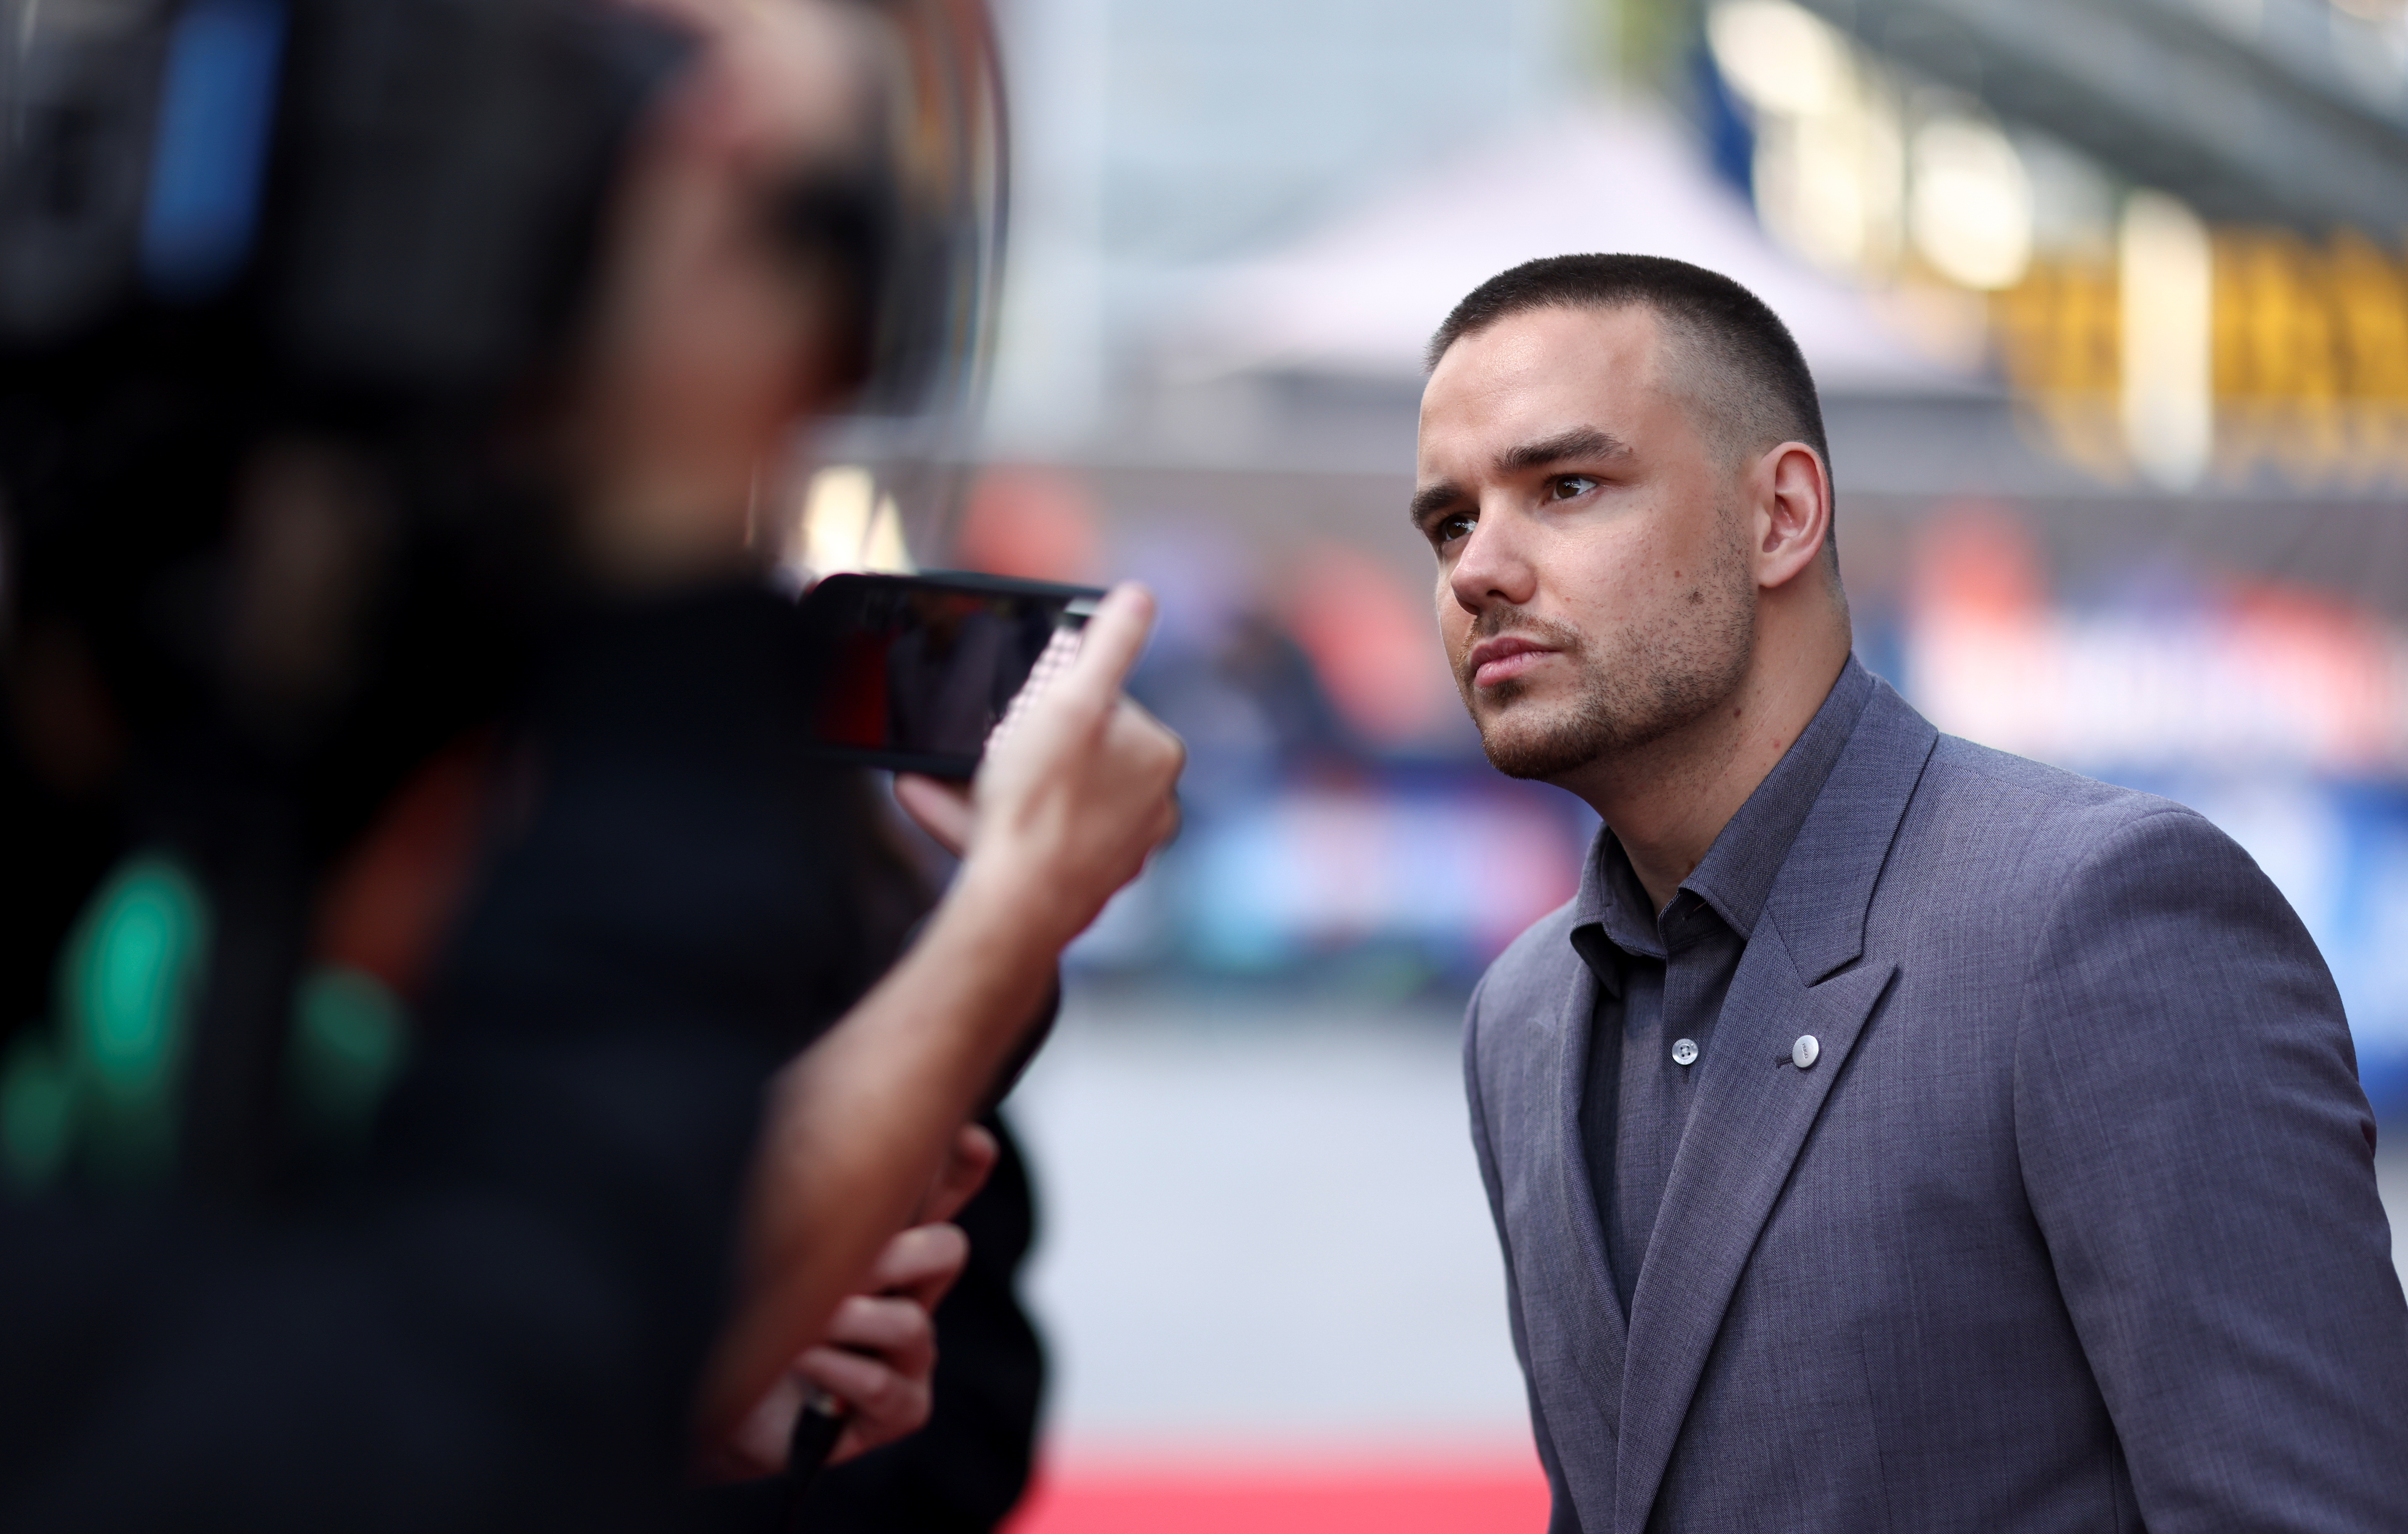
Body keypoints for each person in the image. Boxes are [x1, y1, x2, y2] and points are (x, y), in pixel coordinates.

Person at [0, 0, 1183, 1527]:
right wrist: (1005, 914)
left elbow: (961, 1413)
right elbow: (429, 1421)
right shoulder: (622, 784)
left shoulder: (770, 838)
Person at [1417, 253, 2408, 1533]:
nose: (1477, 569)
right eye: (1448, 522)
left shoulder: (2096, 919)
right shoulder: (1523, 1016)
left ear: (1779, 516)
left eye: (1564, 486)